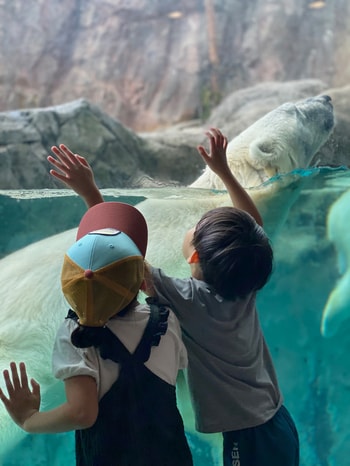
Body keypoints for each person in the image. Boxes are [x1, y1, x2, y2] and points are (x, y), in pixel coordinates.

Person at [46, 128, 299, 466]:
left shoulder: (187, 296)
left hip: (245, 436)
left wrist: (91, 194)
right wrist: (224, 172)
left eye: (195, 229)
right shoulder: (244, 285)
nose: (191, 228)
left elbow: (123, 259)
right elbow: (253, 227)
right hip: (279, 421)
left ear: (193, 257)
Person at [0, 202, 193, 466]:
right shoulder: (167, 321)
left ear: (67, 289)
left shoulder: (73, 336)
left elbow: (82, 412)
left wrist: (28, 420)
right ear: (143, 280)